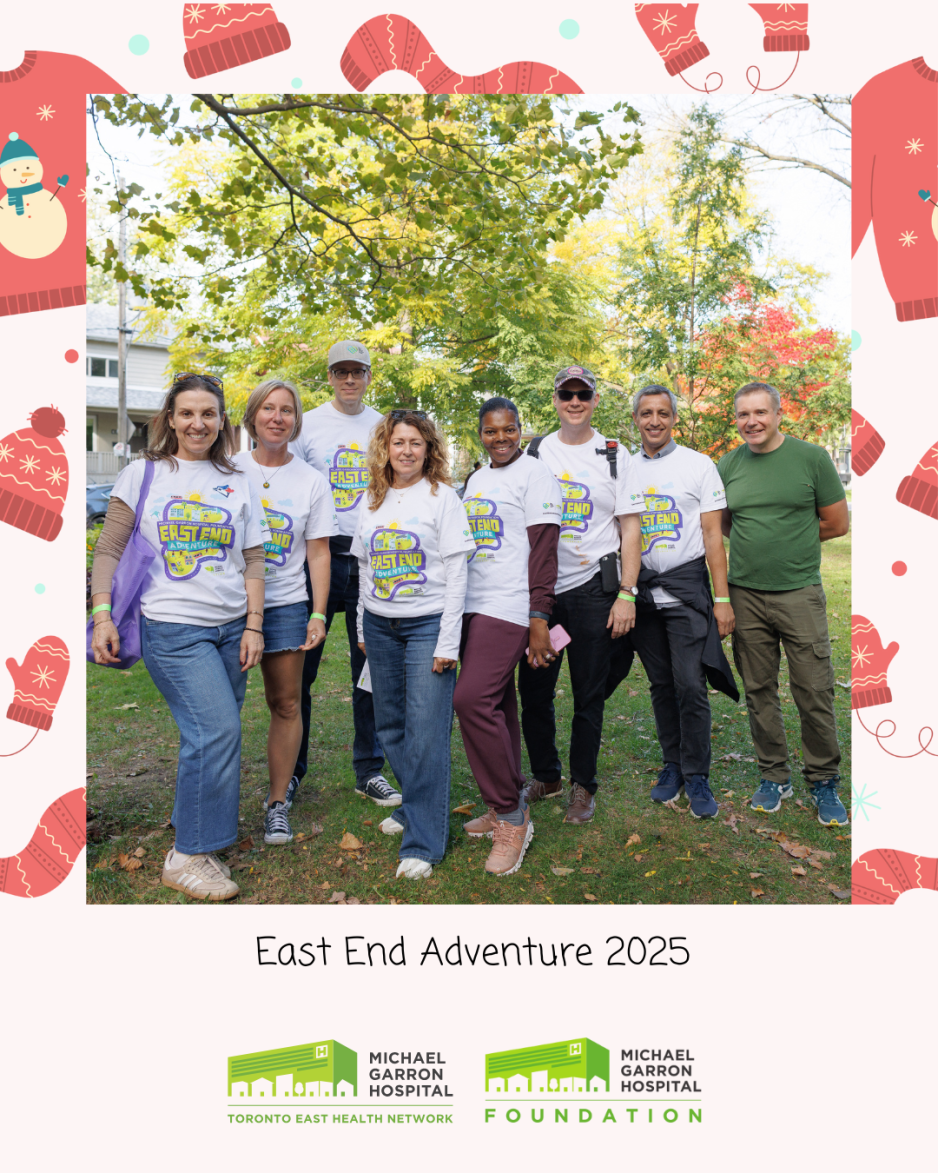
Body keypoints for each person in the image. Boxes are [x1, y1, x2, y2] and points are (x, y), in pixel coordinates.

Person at [90, 374, 268, 901]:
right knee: (215, 732)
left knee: (214, 730)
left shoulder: (237, 479)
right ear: (170, 418)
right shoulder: (144, 473)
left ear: (222, 420)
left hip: (231, 626)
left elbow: (254, 557)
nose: (198, 423)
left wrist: (254, 624)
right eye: (187, 413)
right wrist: (102, 616)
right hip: (173, 627)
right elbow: (109, 549)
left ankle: (194, 825)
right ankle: (188, 855)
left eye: (208, 414)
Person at [518, 365, 645, 824]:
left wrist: (627, 593)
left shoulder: (613, 453)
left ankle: (582, 786)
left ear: (594, 400)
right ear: (554, 399)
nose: (574, 402)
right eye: (566, 394)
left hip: (594, 589)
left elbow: (630, 526)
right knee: (534, 689)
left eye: (583, 394)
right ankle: (547, 775)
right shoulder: (534, 452)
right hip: (543, 593)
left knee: (588, 693)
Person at [719, 381, 850, 826]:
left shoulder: (811, 458)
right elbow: (725, 524)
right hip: (746, 594)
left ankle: (823, 779)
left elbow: (836, 523)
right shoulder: (728, 465)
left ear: (778, 414)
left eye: (760, 412)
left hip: (799, 593)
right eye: (742, 415)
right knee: (758, 689)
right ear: (736, 420)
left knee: (813, 688)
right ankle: (774, 775)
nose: (751, 421)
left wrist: (790, 542)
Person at [352, 410, 476, 879]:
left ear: (429, 450)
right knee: (391, 727)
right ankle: (413, 806)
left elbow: (458, 573)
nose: (406, 451)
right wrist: (364, 628)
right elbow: (364, 566)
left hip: (427, 627)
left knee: (425, 734)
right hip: (381, 627)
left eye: (415, 443)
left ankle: (423, 842)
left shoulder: (442, 498)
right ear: (385, 448)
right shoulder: (370, 499)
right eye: (398, 442)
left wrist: (448, 641)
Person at [454, 397, 562, 876]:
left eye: (508, 430)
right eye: (491, 431)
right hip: (474, 603)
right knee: (497, 702)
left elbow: (543, 551)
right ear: (481, 433)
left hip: (511, 605)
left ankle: (512, 817)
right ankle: (507, 799)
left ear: (521, 430)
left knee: (470, 698)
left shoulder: (535, 476)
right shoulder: (477, 479)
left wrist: (539, 615)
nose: (500, 438)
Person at [289, 341, 396, 808]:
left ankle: (369, 769)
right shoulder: (307, 423)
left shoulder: (382, 425)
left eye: (357, 372)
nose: (349, 380)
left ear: (369, 376)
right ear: (329, 376)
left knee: (367, 667)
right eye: (340, 372)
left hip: (367, 556)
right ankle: (291, 769)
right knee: (300, 668)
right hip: (318, 554)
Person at [627, 384, 739, 820]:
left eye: (662, 413)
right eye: (646, 413)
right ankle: (672, 764)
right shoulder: (625, 469)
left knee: (691, 684)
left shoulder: (698, 465)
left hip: (686, 591)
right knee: (661, 684)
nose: (654, 420)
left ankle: (697, 774)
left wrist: (722, 598)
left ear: (674, 418)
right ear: (636, 418)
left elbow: (713, 536)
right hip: (643, 595)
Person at [233, 380, 337, 846]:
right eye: (269, 409)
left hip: (287, 604)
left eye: (287, 411)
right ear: (253, 416)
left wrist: (317, 612)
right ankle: (204, 800)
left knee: (287, 703)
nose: (278, 417)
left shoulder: (312, 480)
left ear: (296, 421)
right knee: (219, 711)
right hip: (226, 604)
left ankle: (278, 803)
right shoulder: (226, 469)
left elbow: (318, 553)